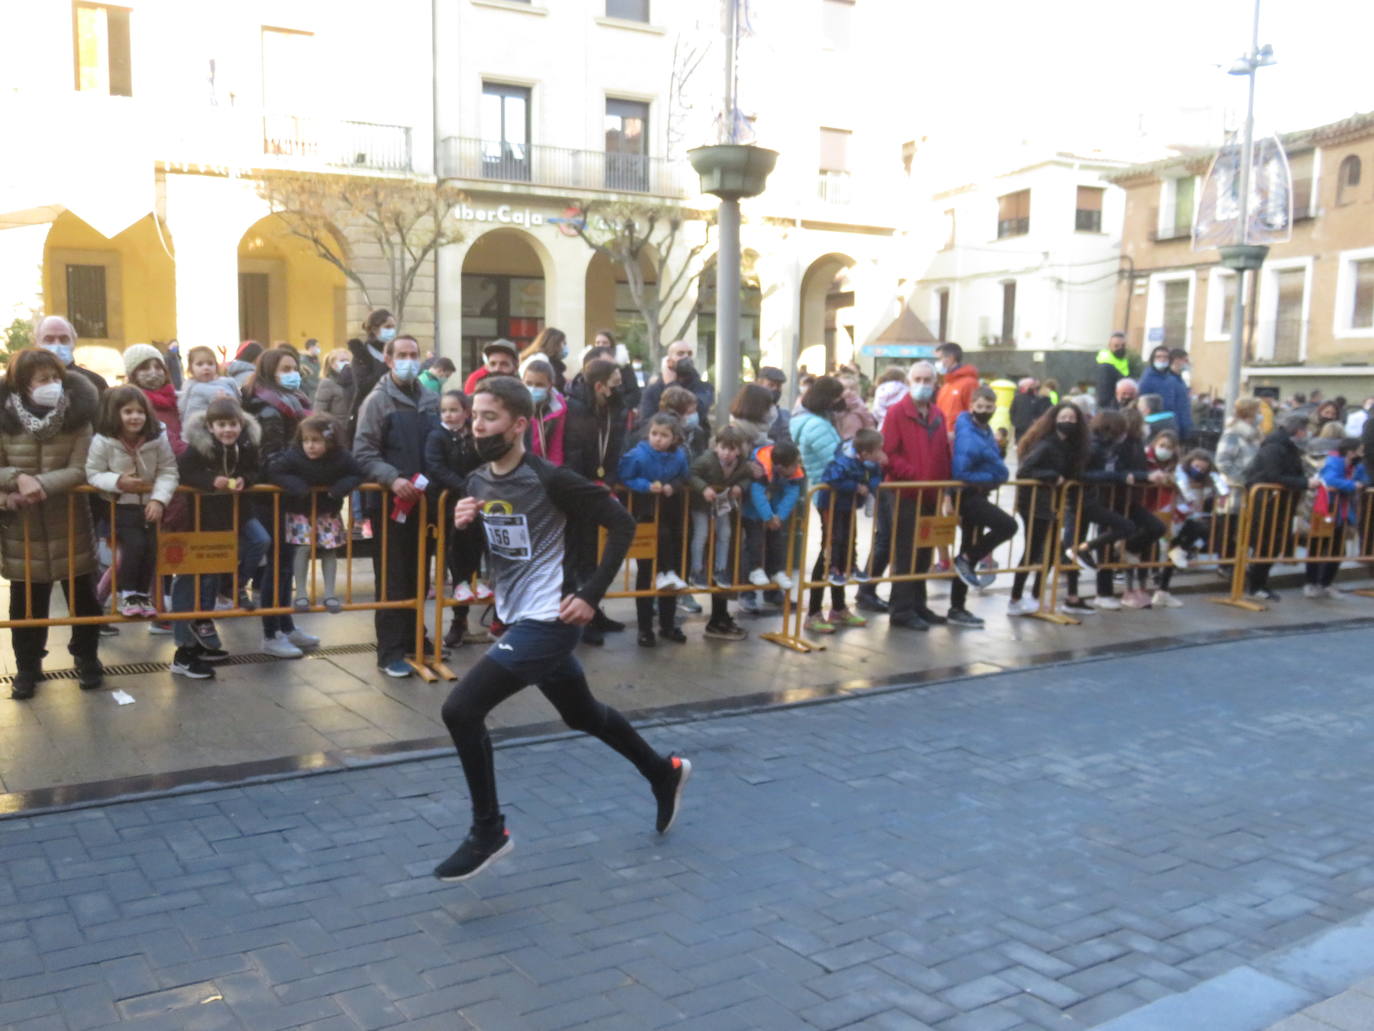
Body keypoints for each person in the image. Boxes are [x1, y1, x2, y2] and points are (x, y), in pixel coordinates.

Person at [434, 376, 690, 882]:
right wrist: (463, 522)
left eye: (489, 417)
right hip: (518, 615)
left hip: (551, 618)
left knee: (460, 709)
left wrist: (591, 594)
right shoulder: (478, 479)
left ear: (519, 424)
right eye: (474, 416)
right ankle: (664, 772)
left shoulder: (550, 478)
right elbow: (493, 550)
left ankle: (489, 831)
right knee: (582, 714)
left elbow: (621, 524)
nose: (477, 425)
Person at [0, 348, 104, 698]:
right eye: (43, 379)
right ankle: (27, 668)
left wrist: (39, 484)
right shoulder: (4, 419)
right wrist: (16, 479)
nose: (52, 385)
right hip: (22, 531)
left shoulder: (78, 418)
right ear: (23, 385)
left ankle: (87, 659)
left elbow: (80, 469)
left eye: (56, 377)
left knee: (84, 599)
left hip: (71, 524)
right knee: (25, 604)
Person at [354, 333, 442, 676]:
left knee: (419, 574)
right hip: (391, 505)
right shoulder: (377, 401)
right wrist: (393, 479)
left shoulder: (431, 399)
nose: (409, 359)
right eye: (402, 354)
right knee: (392, 576)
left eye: (414, 353)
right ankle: (390, 650)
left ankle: (415, 638)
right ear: (389, 360)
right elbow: (363, 452)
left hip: (426, 502)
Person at [172, 399, 267, 678]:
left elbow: (255, 469)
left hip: (237, 513)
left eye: (232, 424)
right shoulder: (198, 447)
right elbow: (183, 470)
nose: (228, 430)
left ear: (241, 423)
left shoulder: (246, 445)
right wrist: (209, 480)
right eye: (221, 425)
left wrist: (244, 481)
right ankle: (189, 644)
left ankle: (233, 586)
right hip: (204, 520)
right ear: (211, 427)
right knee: (197, 579)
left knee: (259, 541)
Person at [242, 346, 317, 658]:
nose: (292, 372)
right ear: (270, 372)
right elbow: (271, 459)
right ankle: (271, 633)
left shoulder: (293, 402)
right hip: (272, 496)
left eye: (294, 366)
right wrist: (301, 475)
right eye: (285, 368)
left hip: (287, 493)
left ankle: (285, 625)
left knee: (285, 562)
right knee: (278, 564)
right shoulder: (269, 408)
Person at [86, 386, 177, 618]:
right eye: (128, 411)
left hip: (149, 504)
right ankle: (128, 593)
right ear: (115, 414)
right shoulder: (103, 440)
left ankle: (141, 596)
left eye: (139, 412)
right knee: (134, 545)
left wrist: (159, 499)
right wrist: (118, 481)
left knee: (151, 548)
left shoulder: (158, 438)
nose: (135, 417)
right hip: (119, 504)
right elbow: (93, 473)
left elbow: (168, 470)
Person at [563, 357, 633, 645]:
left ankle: (593, 609)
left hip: (600, 485)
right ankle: (576, 618)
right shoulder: (576, 408)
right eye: (615, 384)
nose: (619, 388)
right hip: (578, 489)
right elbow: (573, 449)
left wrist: (609, 480)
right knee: (575, 557)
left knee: (592, 556)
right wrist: (586, 484)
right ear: (599, 385)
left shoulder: (613, 409)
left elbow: (615, 447)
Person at [265, 414, 364, 614]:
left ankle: (329, 594)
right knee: (302, 549)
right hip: (300, 510)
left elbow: (357, 473)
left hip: (328, 510)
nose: (310, 446)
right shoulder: (294, 456)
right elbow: (275, 472)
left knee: (329, 550)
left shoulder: (341, 457)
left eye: (316, 441)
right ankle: (301, 593)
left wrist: (339, 488)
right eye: (306, 441)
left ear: (329, 441)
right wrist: (297, 486)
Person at [877, 361, 950, 630]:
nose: (922, 385)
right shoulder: (897, 413)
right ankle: (902, 609)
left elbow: (943, 452)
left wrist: (945, 486)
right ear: (909, 382)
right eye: (917, 379)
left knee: (924, 552)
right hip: (904, 492)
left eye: (927, 380)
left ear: (934, 383)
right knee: (906, 552)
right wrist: (914, 476)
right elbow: (888, 454)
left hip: (930, 493)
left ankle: (918, 604)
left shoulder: (937, 415)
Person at [1009, 403, 1091, 615]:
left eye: (1072, 419)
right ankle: (1015, 598)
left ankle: (1036, 596)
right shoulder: (1046, 444)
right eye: (1064, 418)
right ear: (1054, 419)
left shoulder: (1073, 447)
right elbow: (1025, 470)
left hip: (1054, 505)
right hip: (1035, 504)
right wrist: (1052, 477)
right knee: (1032, 550)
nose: (1068, 422)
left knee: (1052, 552)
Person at [617, 411, 691, 646]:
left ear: (674, 438)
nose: (658, 439)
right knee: (646, 572)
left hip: (672, 516)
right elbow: (624, 477)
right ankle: (645, 627)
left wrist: (673, 486)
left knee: (671, 572)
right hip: (645, 517)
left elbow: (685, 477)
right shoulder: (637, 455)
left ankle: (668, 624)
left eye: (664, 435)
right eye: (654, 434)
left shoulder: (679, 456)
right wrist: (647, 486)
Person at [948, 386, 1018, 627]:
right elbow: (962, 472)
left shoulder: (985, 430)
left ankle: (957, 606)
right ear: (972, 407)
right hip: (969, 496)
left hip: (979, 493)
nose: (985, 411)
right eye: (980, 407)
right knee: (1008, 526)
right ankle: (966, 561)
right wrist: (993, 477)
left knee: (969, 545)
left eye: (989, 407)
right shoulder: (969, 433)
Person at [424, 389, 488, 648]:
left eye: (453, 410)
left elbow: (484, 461)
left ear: (465, 411)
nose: (448, 415)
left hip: (475, 499)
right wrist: (462, 486)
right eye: (444, 410)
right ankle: (459, 601)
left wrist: (477, 485)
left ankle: (479, 582)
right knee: (454, 547)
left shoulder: (474, 434)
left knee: (478, 545)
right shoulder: (437, 436)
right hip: (450, 502)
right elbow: (435, 466)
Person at [1077, 409, 1160, 610]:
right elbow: (1093, 473)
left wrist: (1143, 477)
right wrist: (1125, 477)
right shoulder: (1101, 445)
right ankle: (1102, 591)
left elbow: (1122, 470)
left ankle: (1128, 549)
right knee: (1107, 540)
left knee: (1154, 527)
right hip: (1104, 498)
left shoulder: (1124, 444)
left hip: (1126, 497)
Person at [806, 428, 885, 634]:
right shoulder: (843, 460)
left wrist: (869, 484)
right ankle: (813, 613)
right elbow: (832, 478)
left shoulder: (867, 462)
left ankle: (838, 607)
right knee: (830, 549)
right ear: (866, 452)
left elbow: (874, 477)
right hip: (831, 506)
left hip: (847, 506)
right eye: (878, 450)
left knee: (847, 543)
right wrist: (855, 486)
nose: (881, 454)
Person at [1244, 413, 1323, 601]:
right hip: (1268, 501)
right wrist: (1304, 483)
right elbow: (1274, 475)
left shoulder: (1288, 447)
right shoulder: (1275, 447)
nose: (1307, 434)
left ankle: (1259, 583)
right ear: (1298, 430)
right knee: (1266, 544)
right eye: (1305, 430)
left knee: (1274, 544)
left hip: (1281, 502)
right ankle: (1256, 585)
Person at [688, 426, 753, 641]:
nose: (726, 453)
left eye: (731, 449)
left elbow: (746, 476)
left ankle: (720, 569)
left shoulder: (741, 464)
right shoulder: (707, 460)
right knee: (702, 534)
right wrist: (704, 488)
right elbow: (692, 474)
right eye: (723, 448)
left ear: (738, 451)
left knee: (725, 534)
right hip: (703, 505)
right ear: (716, 446)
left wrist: (740, 487)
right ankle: (697, 570)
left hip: (723, 505)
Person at [1302, 436, 1365, 598]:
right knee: (1318, 547)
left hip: (1342, 512)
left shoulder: (1355, 465)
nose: (1362, 453)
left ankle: (1326, 583)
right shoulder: (1334, 461)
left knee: (1338, 549)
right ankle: (1311, 583)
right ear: (1351, 452)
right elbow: (1330, 480)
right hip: (1326, 510)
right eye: (1359, 450)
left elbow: (1363, 478)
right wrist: (1352, 485)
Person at [742, 439, 803, 591]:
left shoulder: (792, 470)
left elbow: (792, 493)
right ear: (780, 466)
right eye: (794, 465)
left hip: (774, 513)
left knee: (777, 541)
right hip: (753, 512)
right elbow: (757, 493)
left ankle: (776, 571)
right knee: (754, 541)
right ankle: (754, 570)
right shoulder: (761, 467)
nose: (797, 467)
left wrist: (778, 517)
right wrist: (768, 516)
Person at [1168, 449, 1230, 572]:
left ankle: (1186, 553)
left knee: (1205, 531)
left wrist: (1222, 495)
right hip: (1174, 515)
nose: (1198, 471)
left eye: (1202, 469)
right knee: (1172, 544)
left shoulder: (1206, 481)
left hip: (1191, 517)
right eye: (1196, 466)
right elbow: (1183, 489)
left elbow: (1222, 488)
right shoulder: (1180, 473)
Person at [639, 340, 715, 436]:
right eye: (680, 353)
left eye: (690, 354)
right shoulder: (653, 390)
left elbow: (699, 410)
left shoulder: (704, 387)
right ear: (669, 361)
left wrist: (671, 384)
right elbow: (646, 424)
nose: (687, 357)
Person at [124, 344, 185, 456]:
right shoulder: (130, 404)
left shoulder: (178, 399)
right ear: (133, 374)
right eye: (145, 368)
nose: (153, 372)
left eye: (158, 367)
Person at [346, 309, 397, 435]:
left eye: (393, 327)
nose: (392, 330)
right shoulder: (362, 354)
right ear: (374, 329)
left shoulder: (396, 352)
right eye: (388, 327)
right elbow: (363, 386)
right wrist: (387, 367)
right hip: (368, 414)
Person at [34, 315, 108, 396]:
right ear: (36, 343)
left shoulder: (95, 382)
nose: (57, 345)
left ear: (74, 343)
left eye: (64, 339)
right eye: (49, 339)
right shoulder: (23, 381)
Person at [1138, 345, 1192, 443]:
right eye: (1158, 357)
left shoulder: (1171, 379)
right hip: (1155, 428)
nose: (1162, 359)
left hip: (1172, 425)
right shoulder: (1147, 379)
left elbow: (1179, 405)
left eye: (1165, 357)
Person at [1217, 398, 1263, 511]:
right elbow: (1222, 462)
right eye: (1258, 411)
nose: (1260, 415)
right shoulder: (1233, 434)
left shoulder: (1253, 435)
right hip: (1235, 493)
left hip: (1247, 493)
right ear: (1250, 413)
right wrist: (1242, 480)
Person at [521, 358, 568, 465]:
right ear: (522, 382)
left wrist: (553, 474)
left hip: (543, 468)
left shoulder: (557, 410)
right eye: (528, 383)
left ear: (550, 386)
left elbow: (556, 448)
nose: (532, 389)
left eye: (539, 385)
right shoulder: (513, 406)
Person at [178, 345, 239, 423]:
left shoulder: (223, 387)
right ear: (191, 368)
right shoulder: (188, 386)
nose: (206, 367)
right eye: (200, 364)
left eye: (210, 364)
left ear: (216, 366)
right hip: (192, 430)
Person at [934, 343, 979, 433]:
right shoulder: (946, 385)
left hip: (959, 437)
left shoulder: (969, 383)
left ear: (950, 358)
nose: (937, 363)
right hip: (943, 436)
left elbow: (975, 414)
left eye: (939, 359)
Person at [313, 348, 356, 442]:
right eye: (342, 360)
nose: (346, 363)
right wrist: (328, 433)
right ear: (332, 364)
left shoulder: (354, 382)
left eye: (348, 360)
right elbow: (319, 412)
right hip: (337, 434)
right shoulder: (327, 383)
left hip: (352, 432)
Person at [520, 327, 570, 392]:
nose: (565, 347)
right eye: (564, 343)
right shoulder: (542, 360)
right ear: (554, 344)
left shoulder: (538, 357)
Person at [835, 370, 877, 441]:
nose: (848, 391)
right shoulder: (835, 406)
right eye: (844, 389)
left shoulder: (859, 405)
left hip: (856, 443)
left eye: (852, 388)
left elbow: (869, 424)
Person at [1095, 332, 1131, 411]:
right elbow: (1104, 396)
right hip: (1111, 410)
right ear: (1109, 347)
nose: (1120, 348)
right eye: (1116, 346)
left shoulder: (1123, 362)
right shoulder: (1106, 366)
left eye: (1123, 346)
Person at [755, 367, 791, 443]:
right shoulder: (747, 412)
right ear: (759, 384)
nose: (775, 389)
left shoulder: (786, 415)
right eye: (771, 385)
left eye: (779, 386)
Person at [871, 365, 909, 430]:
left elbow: (876, 409)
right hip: (901, 425)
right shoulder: (906, 389)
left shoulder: (880, 389)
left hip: (883, 425)